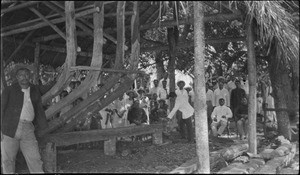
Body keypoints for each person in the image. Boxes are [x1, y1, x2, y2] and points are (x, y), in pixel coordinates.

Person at [1, 67, 49, 173]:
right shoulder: (9, 90)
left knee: (35, 159)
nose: (24, 77)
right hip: (10, 128)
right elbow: (1, 109)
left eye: (27, 74)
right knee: (8, 160)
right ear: (17, 77)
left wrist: (59, 77)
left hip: (28, 128)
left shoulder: (35, 89)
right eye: (21, 75)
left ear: (30, 76)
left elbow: (48, 87)